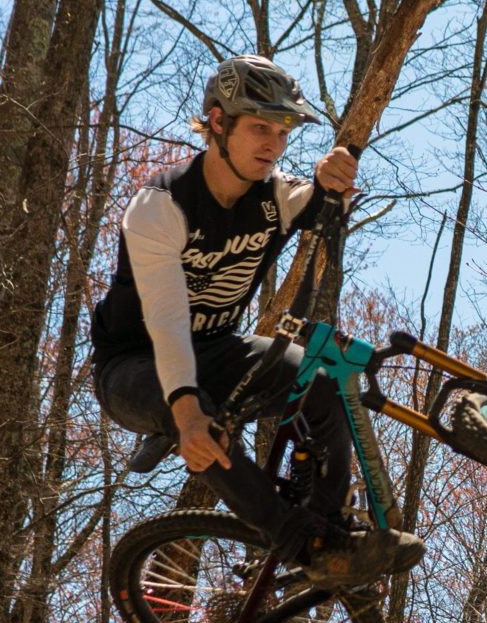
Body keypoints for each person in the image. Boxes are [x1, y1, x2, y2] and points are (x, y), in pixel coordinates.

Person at [91, 53, 419, 584]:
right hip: (133, 367)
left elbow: (317, 195)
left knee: (324, 381)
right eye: (260, 128)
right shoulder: (159, 206)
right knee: (207, 419)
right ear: (217, 123)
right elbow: (170, 322)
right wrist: (188, 411)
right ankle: (303, 545)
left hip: (219, 350)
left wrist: (331, 177)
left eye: (283, 131)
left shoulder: (276, 198)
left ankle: (331, 526)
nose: (273, 143)